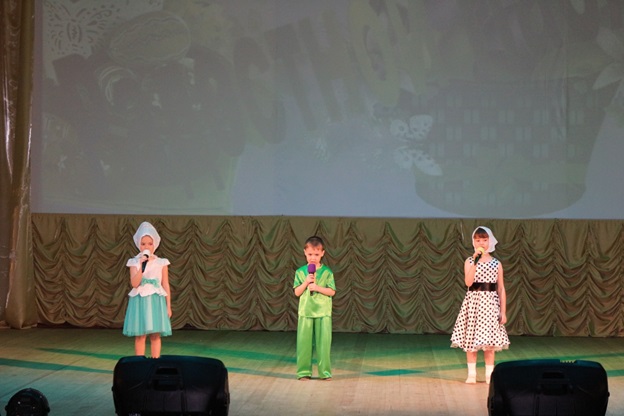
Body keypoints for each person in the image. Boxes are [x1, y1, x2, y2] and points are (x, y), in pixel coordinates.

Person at [451, 226, 509, 384]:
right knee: (471, 340)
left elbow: (501, 288)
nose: (481, 243)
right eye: (478, 240)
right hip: (473, 303)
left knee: (489, 343)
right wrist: (475, 262)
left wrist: (503, 311)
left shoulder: (496, 263)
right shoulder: (469, 261)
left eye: (484, 240)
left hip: (490, 305)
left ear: (490, 241)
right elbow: (468, 282)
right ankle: (472, 374)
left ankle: (490, 375)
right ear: (473, 242)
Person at [123, 221, 172, 358]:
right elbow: (134, 283)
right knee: (140, 335)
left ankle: (155, 362)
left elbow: (165, 284)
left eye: (150, 244)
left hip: (156, 300)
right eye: (143, 243)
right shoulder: (134, 262)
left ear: (155, 244)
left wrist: (168, 306)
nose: (146, 247)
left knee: (155, 335)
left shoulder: (161, 262)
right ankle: (140, 363)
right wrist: (141, 266)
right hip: (140, 301)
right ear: (138, 244)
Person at [293, 236, 336, 381]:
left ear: (322, 253)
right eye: (310, 254)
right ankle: (303, 372)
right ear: (305, 252)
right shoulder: (300, 272)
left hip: (323, 312)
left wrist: (317, 287)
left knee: (323, 345)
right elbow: (297, 292)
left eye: (316, 254)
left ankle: (325, 373)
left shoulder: (327, 272)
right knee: (304, 344)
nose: (313, 257)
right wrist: (306, 282)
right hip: (306, 312)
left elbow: (332, 291)